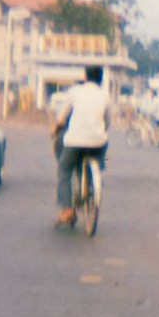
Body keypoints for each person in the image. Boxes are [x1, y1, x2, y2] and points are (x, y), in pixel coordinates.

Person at [52, 65, 111, 227]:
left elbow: (62, 118)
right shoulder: (105, 96)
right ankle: (96, 176)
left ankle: (67, 210)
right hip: (98, 142)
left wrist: (55, 129)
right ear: (101, 79)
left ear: (85, 77)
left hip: (75, 141)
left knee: (64, 169)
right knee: (98, 160)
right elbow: (107, 121)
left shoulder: (74, 92)